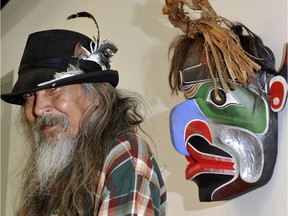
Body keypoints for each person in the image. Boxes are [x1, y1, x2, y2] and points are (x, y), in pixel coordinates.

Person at [1, 21, 167, 215]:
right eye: (30, 95)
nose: (38, 109)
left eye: (53, 89)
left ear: (96, 94)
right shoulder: (59, 164)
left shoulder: (123, 154)